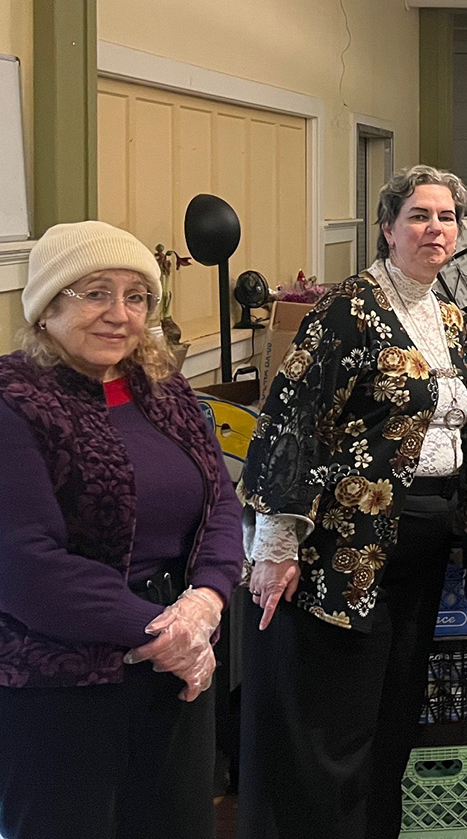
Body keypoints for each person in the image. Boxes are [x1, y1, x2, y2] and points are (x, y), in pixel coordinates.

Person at [238, 167, 467, 839]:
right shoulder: (350, 308)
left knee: (392, 717)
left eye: (446, 217)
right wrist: (276, 545)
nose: (435, 229)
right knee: (337, 722)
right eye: (420, 216)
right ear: (387, 227)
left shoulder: (449, 316)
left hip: (424, 546)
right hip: (348, 549)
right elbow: (292, 418)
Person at [0, 220, 242, 838]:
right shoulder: (14, 399)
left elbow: (221, 505)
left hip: (180, 664)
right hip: (63, 681)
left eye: (136, 297)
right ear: (48, 305)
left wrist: (206, 603)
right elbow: (25, 561)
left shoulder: (165, 391)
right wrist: (166, 631)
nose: (118, 314)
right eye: (95, 293)